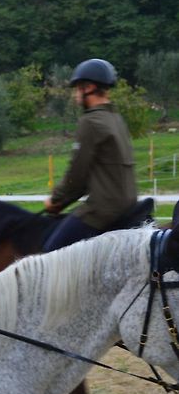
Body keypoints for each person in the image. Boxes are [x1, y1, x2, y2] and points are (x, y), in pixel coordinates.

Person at [43, 58, 137, 252]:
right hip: (127, 205)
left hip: (102, 211)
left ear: (90, 87)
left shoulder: (91, 121)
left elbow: (77, 176)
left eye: (78, 88)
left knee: (48, 256)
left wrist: (55, 201)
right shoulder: (115, 118)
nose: (76, 95)